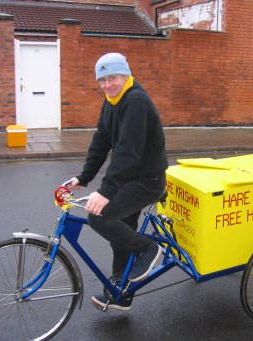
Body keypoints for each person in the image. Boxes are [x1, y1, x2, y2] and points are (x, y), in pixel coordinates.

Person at [69, 52, 168, 311]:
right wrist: (84, 177)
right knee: (120, 235)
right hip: (131, 178)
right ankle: (121, 292)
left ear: (125, 75)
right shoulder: (112, 100)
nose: (107, 84)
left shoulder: (135, 101)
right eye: (102, 80)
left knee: (99, 216)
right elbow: (101, 141)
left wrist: (105, 192)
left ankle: (148, 248)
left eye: (112, 77)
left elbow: (127, 151)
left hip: (147, 180)